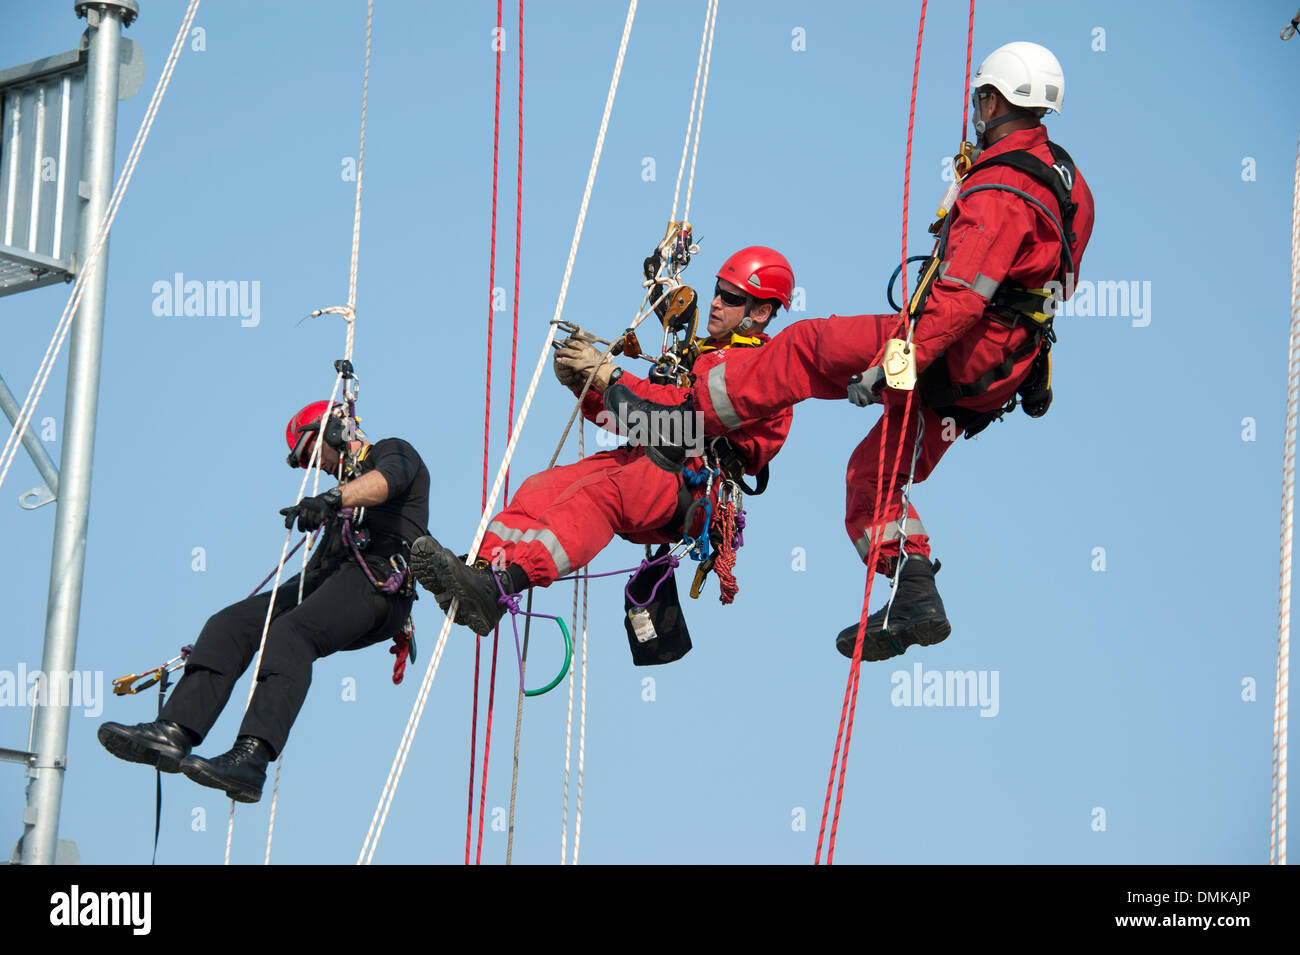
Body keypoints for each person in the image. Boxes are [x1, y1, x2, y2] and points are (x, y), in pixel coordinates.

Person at [608, 42, 1095, 663]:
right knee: (871, 477)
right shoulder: (1069, 182)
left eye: (980, 98)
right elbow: (1055, 282)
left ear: (994, 99)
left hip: (953, 349)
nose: (976, 109)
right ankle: (914, 592)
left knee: (807, 348)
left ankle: (687, 419)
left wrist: (899, 361)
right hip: (996, 373)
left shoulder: (999, 189)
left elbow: (962, 299)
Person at [410, 247, 797, 635]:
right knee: (540, 489)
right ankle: (482, 571)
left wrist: (609, 376)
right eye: (717, 291)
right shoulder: (702, 357)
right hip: (652, 459)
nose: (715, 303)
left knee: (598, 498)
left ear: (760, 313)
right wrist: (587, 385)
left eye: (730, 298)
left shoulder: (760, 371)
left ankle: (508, 581)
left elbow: (678, 414)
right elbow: (637, 419)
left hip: (689, 482)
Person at [98, 402, 429, 803]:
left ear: (336, 431)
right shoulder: (340, 500)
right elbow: (315, 575)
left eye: (313, 455)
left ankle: (251, 759)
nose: (316, 468)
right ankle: (174, 730)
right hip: (339, 579)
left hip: (380, 583)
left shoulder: (394, 451)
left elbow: (387, 481)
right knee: (231, 624)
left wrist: (330, 499)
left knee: (291, 633)